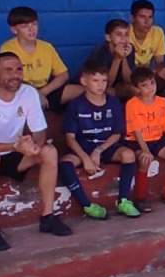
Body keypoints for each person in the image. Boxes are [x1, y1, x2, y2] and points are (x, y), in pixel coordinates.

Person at [0, 52, 73, 252]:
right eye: (8, 70)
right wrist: (14, 147)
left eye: (19, 69)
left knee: (49, 152)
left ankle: (48, 217)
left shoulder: (29, 93)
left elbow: (39, 131)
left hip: (12, 153)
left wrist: (35, 146)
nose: (15, 74)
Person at [60, 63, 141, 219]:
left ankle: (123, 201)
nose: (100, 85)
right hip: (82, 148)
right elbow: (70, 139)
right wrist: (85, 158)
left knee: (128, 155)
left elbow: (117, 134)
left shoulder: (113, 103)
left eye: (104, 81)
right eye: (95, 80)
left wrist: (99, 150)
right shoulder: (75, 105)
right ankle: (87, 206)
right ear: (84, 81)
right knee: (65, 163)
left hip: (106, 146)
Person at [125, 68, 165, 210]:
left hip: (157, 140)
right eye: (144, 85)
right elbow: (136, 130)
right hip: (137, 142)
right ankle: (140, 198)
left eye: (152, 83)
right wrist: (145, 150)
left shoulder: (162, 102)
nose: (150, 88)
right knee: (145, 160)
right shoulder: (132, 104)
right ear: (137, 89)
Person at [0, 6, 83, 110]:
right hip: (19, 90)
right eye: (24, 26)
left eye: (34, 24)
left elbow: (63, 74)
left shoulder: (46, 47)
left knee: (85, 91)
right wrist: (34, 94)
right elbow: (8, 77)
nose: (31, 29)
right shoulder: (7, 48)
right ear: (14, 30)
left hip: (45, 89)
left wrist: (42, 92)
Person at [129, 0, 165, 102]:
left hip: (148, 77)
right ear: (132, 18)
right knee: (132, 88)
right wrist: (155, 71)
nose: (147, 21)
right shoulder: (125, 33)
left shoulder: (157, 32)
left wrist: (163, 71)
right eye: (142, 17)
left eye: (150, 17)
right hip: (131, 80)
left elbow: (160, 62)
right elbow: (129, 72)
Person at [86, 18, 138, 100]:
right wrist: (117, 59)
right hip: (99, 86)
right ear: (108, 37)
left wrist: (123, 57)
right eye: (119, 34)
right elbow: (104, 84)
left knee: (137, 90)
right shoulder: (100, 51)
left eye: (126, 34)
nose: (124, 38)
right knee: (108, 92)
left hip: (119, 85)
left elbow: (129, 80)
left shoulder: (129, 48)